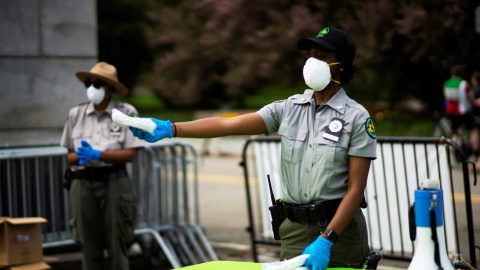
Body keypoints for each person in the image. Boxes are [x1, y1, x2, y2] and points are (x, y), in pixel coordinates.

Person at [129, 27, 377, 269]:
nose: (312, 63)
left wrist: (326, 240)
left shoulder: (356, 118)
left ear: (342, 64)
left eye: (321, 57)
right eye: (309, 56)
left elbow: (355, 190)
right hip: (295, 230)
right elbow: (229, 124)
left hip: (339, 234)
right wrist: (171, 128)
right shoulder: (288, 109)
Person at [60, 62, 145, 270]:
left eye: (97, 84)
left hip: (114, 181)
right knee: (88, 244)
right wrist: (82, 156)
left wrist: (99, 154)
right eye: (89, 83)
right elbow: (69, 156)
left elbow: (130, 154)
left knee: (118, 242)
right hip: (82, 183)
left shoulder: (126, 112)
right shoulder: (76, 114)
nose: (91, 88)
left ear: (109, 88)